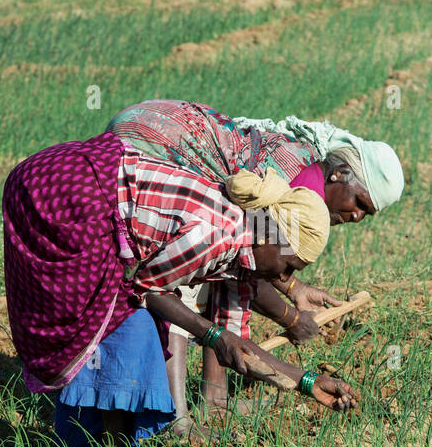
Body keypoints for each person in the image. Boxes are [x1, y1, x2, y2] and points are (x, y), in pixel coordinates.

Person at [2, 131, 355, 447]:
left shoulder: (244, 236)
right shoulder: (215, 235)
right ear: (273, 236)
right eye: (288, 265)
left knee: (127, 320)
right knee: (111, 320)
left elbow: (239, 350)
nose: (283, 279)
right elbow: (149, 290)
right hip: (62, 191)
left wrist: (306, 382)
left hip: (81, 186)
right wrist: (213, 335)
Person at [105, 100, 404, 428]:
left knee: (218, 271)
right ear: (340, 173)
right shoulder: (286, 181)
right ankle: (175, 417)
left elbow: (255, 257)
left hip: (158, 131)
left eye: (367, 214)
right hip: (152, 143)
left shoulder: (301, 188)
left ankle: (214, 400)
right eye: (359, 202)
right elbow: (248, 261)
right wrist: (289, 317)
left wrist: (295, 289)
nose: (357, 216)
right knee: (183, 285)